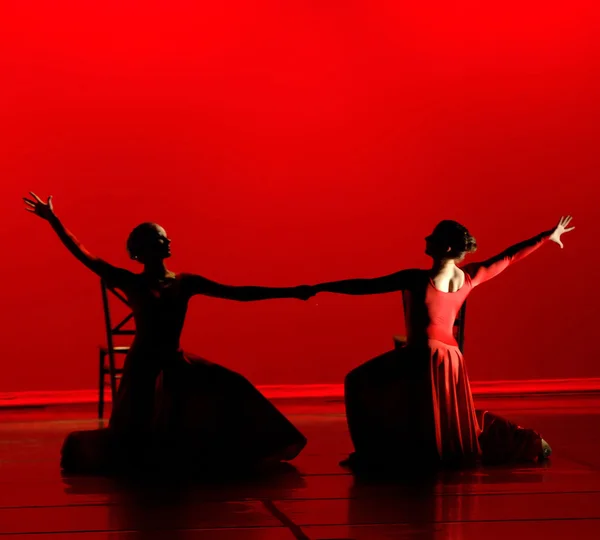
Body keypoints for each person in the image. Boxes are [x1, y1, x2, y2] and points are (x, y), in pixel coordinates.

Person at [23, 192, 311, 474]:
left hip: (175, 363)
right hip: (143, 368)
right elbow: (84, 254)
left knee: (233, 384)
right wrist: (53, 219)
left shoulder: (184, 282)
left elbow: (238, 294)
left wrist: (290, 292)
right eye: (162, 237)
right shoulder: (130, 281)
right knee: (138, 433)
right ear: (147, 248)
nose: (169, 241)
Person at [313, 216, 575, 469]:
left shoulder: (415, 278)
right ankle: (525, 441)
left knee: (356, 381)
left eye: (433, 238)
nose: (426, 240)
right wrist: (546, 237)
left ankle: (369, 453)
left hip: (421, 354)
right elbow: (508, 257)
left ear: (446, 247)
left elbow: (365, 286)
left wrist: (319, 287)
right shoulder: (470, 277)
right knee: (449, 414)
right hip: (450, 358)